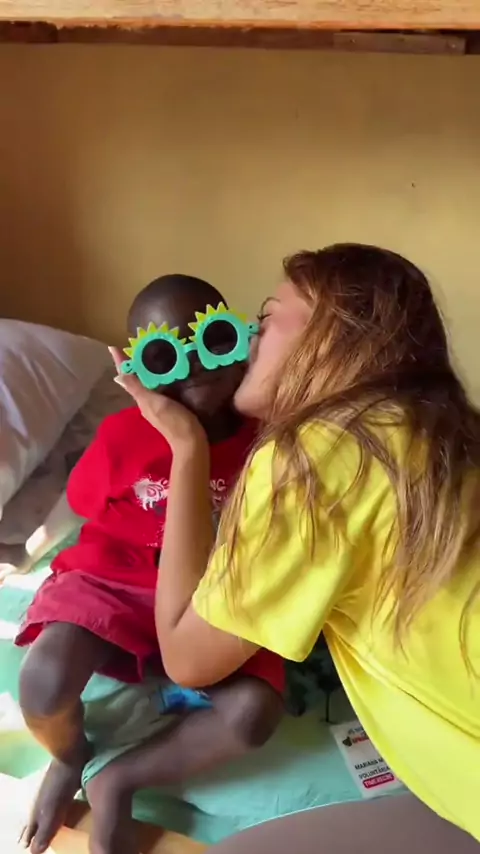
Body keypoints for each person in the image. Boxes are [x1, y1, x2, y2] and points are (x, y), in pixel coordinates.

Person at [114, 245, 480, 847]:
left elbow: (186, 656)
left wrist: (187, 447)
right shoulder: (440, 430)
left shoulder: (318, 456)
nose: (250, 338)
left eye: (266, 316)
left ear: (335, 333)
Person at [14, 274, 284, 854]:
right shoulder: (122, 435)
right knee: (41, 685)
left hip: (215, 595)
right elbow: (87, 505)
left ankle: (119, 780)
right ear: (137, 370)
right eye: (165, 355)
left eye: (212, 339)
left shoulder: (270, 440)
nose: (194, 366)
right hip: (116, 582)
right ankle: (72, 755)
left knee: (253, 714)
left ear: (242, 341)